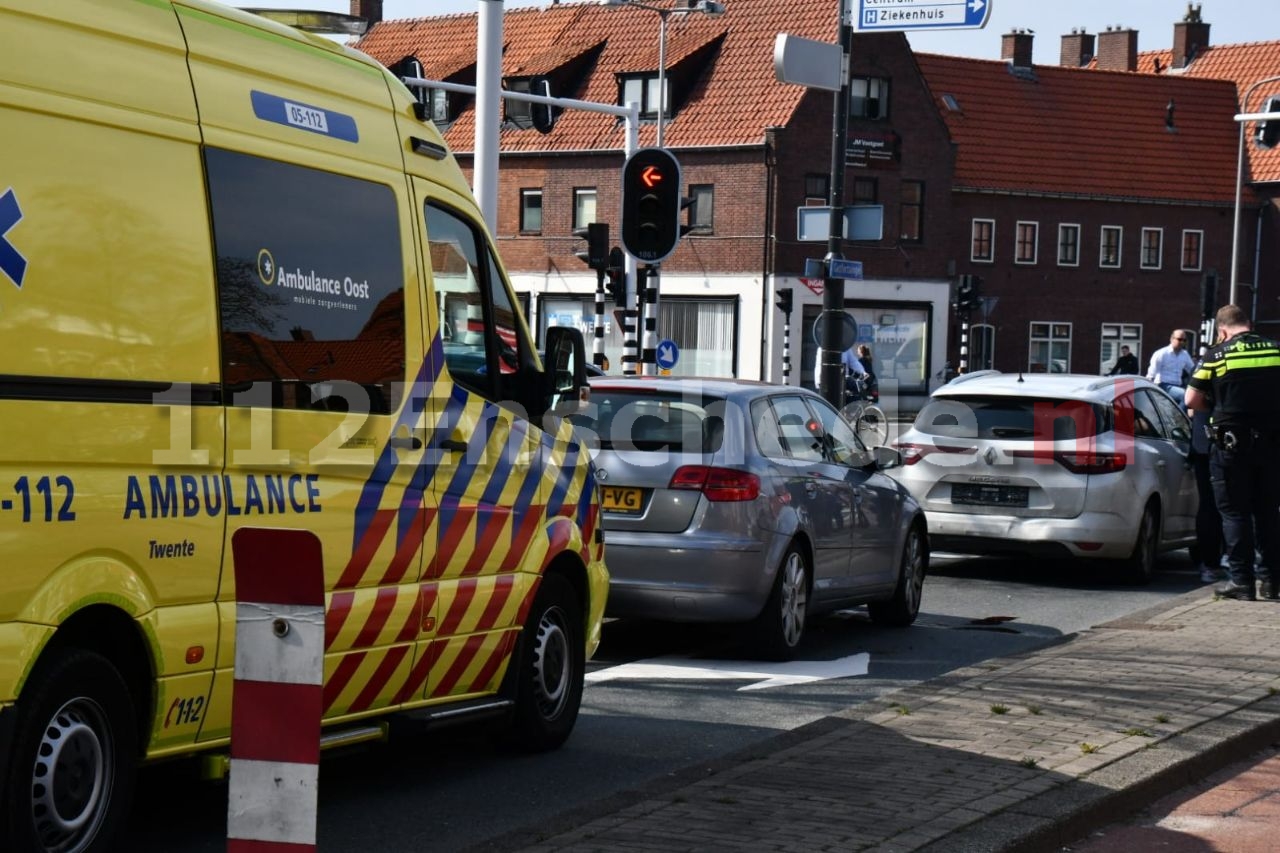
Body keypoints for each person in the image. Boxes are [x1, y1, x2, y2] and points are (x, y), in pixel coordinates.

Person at [1185, 304, 1280, 601]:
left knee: (1234, 513)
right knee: (1268, 512)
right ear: (1248, 324)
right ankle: (1272, 581)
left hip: (1231, 445)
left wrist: (1218, 407)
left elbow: (1191, 399)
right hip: (1272, 445)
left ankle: (1242, 582)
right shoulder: (1276, 350)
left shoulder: (1217, 355)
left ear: (1222, 331)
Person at [1147, 329, 1196, 395]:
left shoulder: (1185, 354)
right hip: (1163, 386)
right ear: (1172, 339)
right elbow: (1152, 373)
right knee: (1184, 395)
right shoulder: (1161, 353)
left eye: (1184, 340)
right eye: (1179, 339)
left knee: (1192, 397)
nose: (1182, 342)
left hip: (1178, 386)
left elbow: (1192, 370)